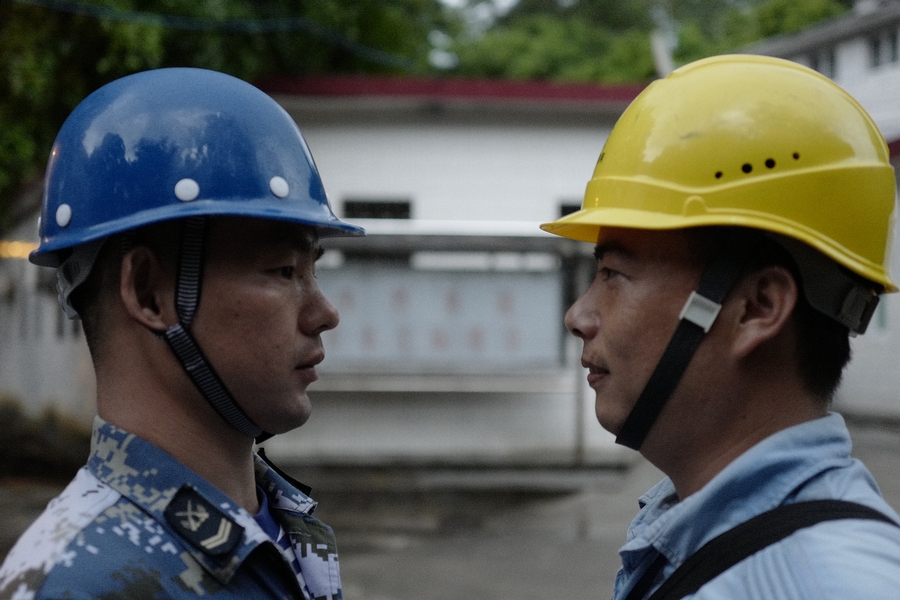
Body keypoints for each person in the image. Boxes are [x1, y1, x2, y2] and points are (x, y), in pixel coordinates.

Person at [541, 54, 900, 598]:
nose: (579, 316)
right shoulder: (706, 534)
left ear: (757, 307)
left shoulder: (832, 584)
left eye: (614, 273)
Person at [0, 67, 363, 599]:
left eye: (313, 269)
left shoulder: (275, 527)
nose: (324, 313)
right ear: (148, 293)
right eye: (283, 271)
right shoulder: (77, 582)